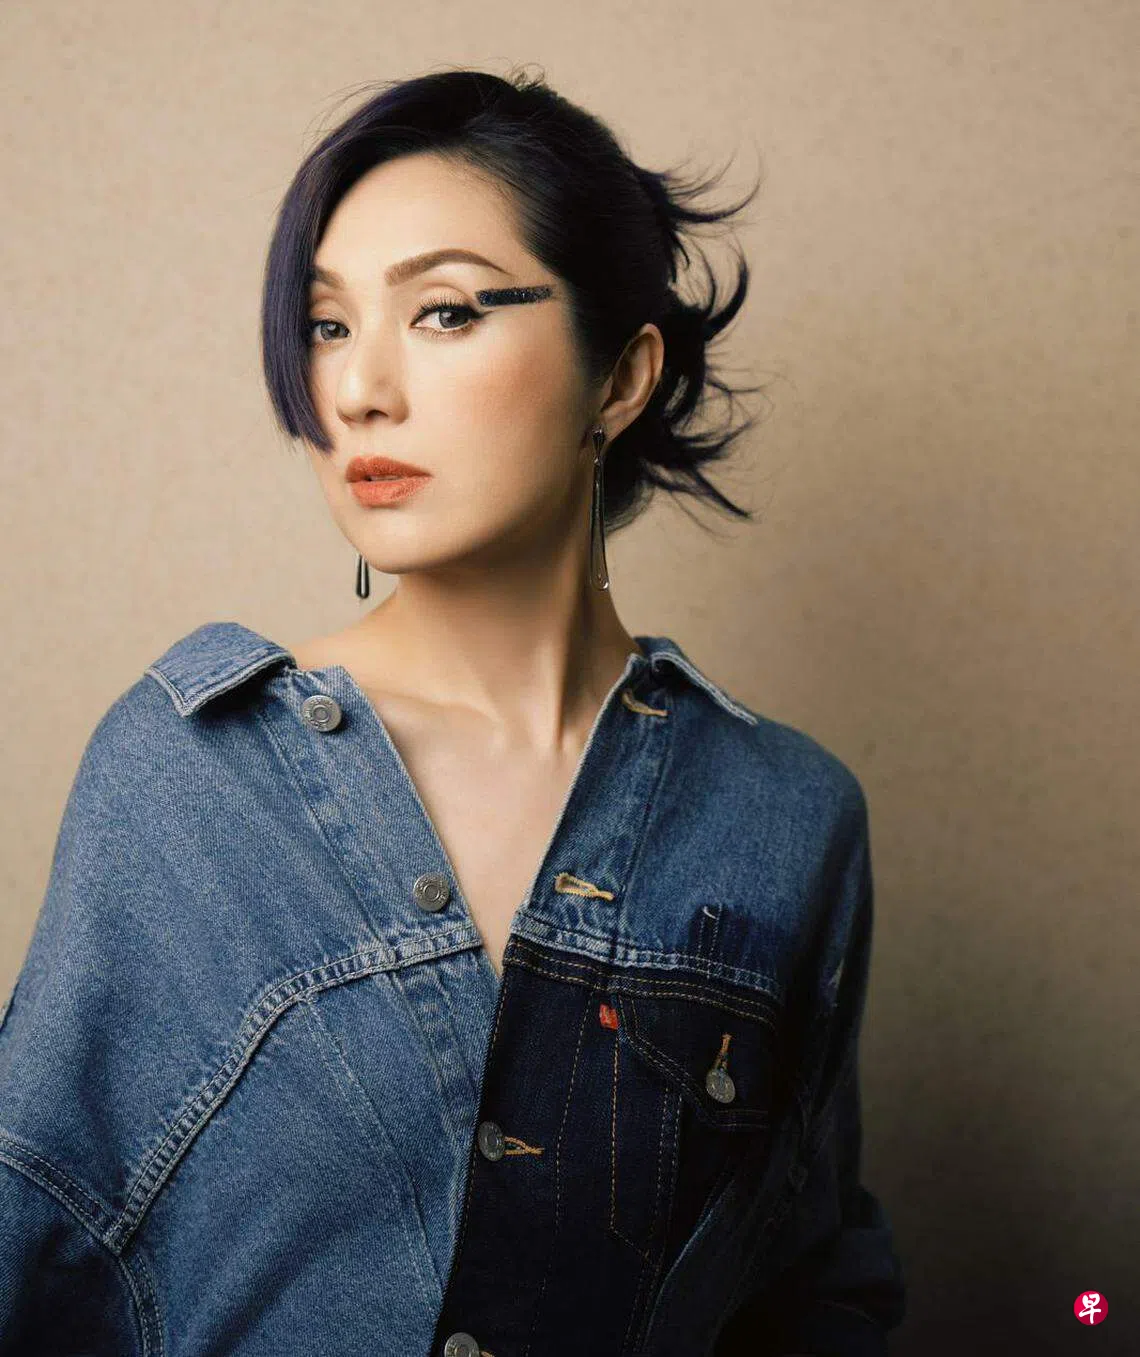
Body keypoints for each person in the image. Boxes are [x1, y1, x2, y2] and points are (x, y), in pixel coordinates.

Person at [0, 68, 905, 1355]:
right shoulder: (190, 775)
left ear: (621, 377)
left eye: (445, 311)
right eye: (325, 326)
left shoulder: (785, 818)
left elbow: (810, 1294)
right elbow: (32, 1249)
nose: (358, 390)